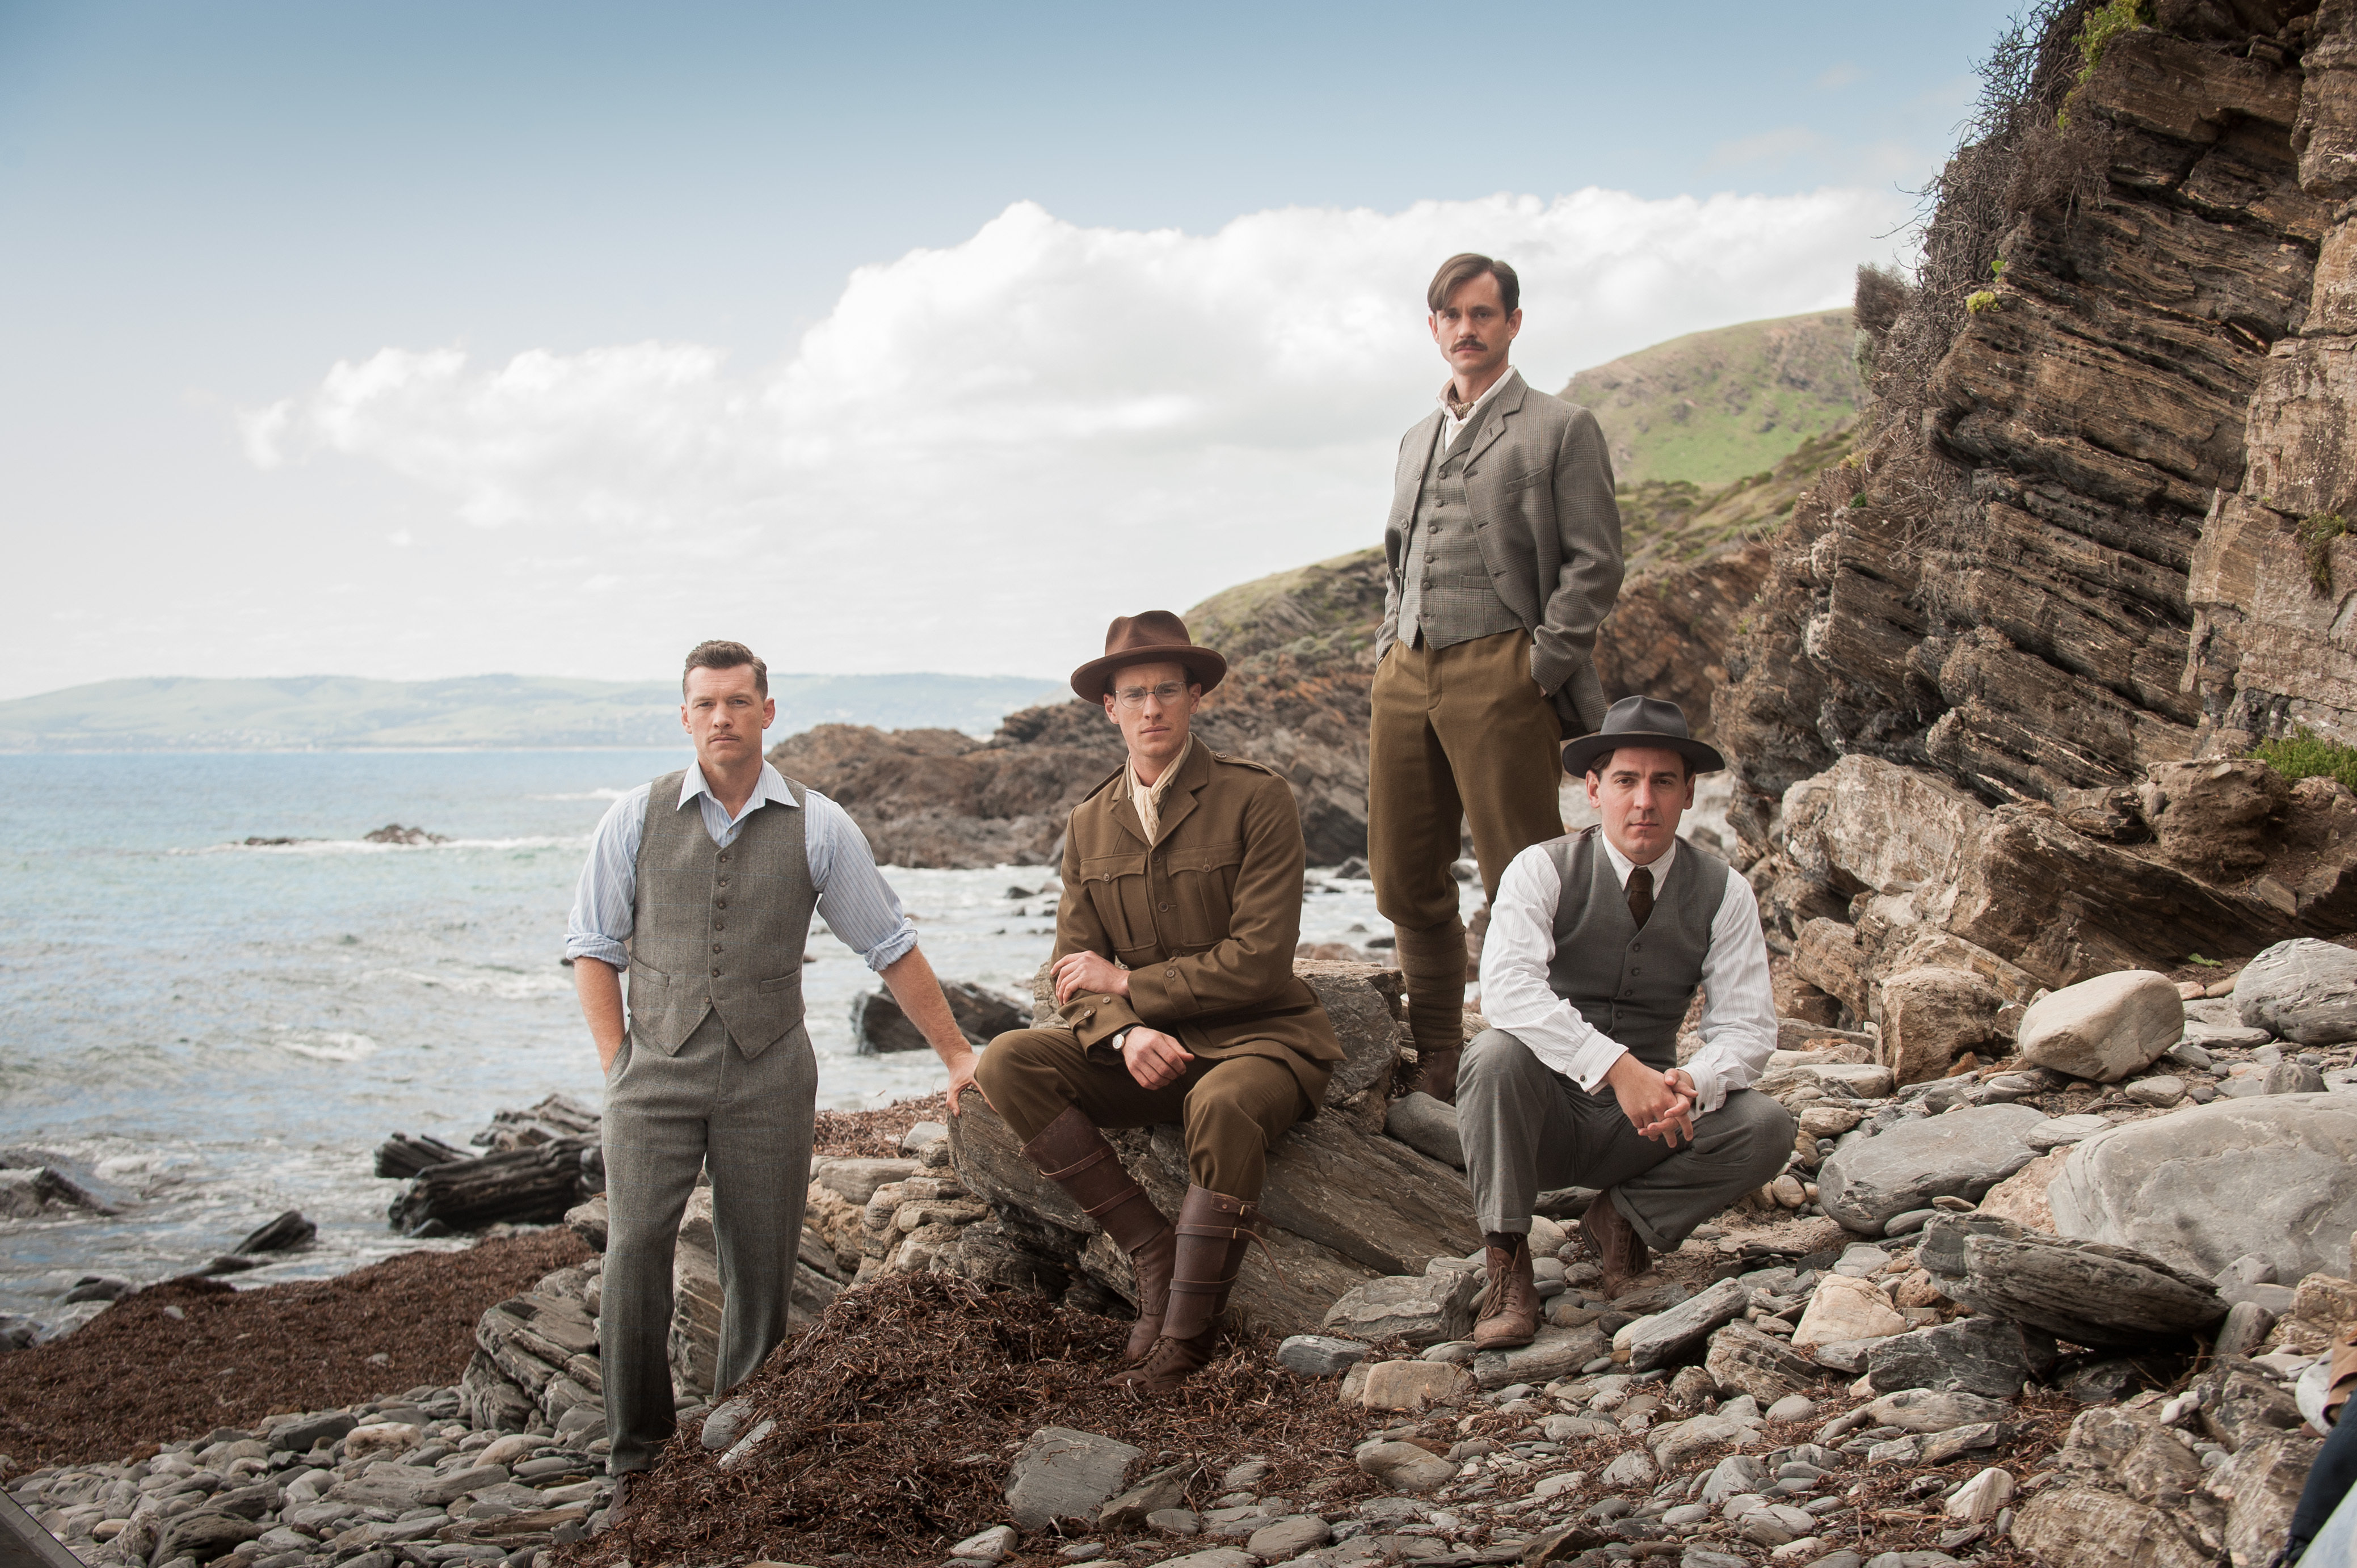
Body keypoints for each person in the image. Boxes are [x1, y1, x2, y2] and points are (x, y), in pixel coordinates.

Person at [564, 639, 981, 1505]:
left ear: (767, 711)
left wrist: (955, 1053)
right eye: (706, 704)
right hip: (654, 1070)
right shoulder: (631, 819)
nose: (722, 717)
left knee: (759, 1261)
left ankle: (734, 1433)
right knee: (636, 1248)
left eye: (738, 702)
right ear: (685, 717)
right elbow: (593, 950)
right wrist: (618, 1069)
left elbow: (888, 943)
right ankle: (635, 1453)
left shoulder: (819, 824)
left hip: (770, 1072)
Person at [974, 611, 1344, 1395]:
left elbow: (1259, 961)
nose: (1151, 710)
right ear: (1108, 707)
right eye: (1133, 694)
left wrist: (1131, 987)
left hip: (1262, 1044)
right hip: (1150, 1054)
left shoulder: (1256, 798)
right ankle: (1150, 1249)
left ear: (1195, 696)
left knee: (1219, 1103)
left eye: (1166, 691)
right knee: (1008, 1061)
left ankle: (1185, 1339)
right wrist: (1124, 1033)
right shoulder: (1087, 824)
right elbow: (1070, 973)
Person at [1370, 251, 1626, 1105]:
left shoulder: (1559, 426)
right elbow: (1397, 558)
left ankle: (1543, 1056)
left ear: (1513, 324)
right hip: (1406, 670)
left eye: (1483, 315)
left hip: (1501, 666)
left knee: (1521, 873)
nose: (1466, 330)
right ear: (1433, 327)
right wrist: (1385, 647)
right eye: (1451, 316)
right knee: (1402, 874)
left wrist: (1537, 667)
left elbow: (1594, 566)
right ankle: (1439, 1053)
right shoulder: (1412, 438)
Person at [1457, 695, 1791, 1347]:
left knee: (1767, 1126)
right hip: (1544, 1116)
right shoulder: (1540, 868)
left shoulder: (1724, 891)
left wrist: (1693, 1081)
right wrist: (1614, 1066)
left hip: (1647, 1125)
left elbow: (1748, 1029)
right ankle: (1507, 1264)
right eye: (1626, 781)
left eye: (1663, 782)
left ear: (1689, 794)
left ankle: (1622, 1220)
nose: (1645, 801)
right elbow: (1504, 991)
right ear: (1592, 789)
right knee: (1494, 1054)